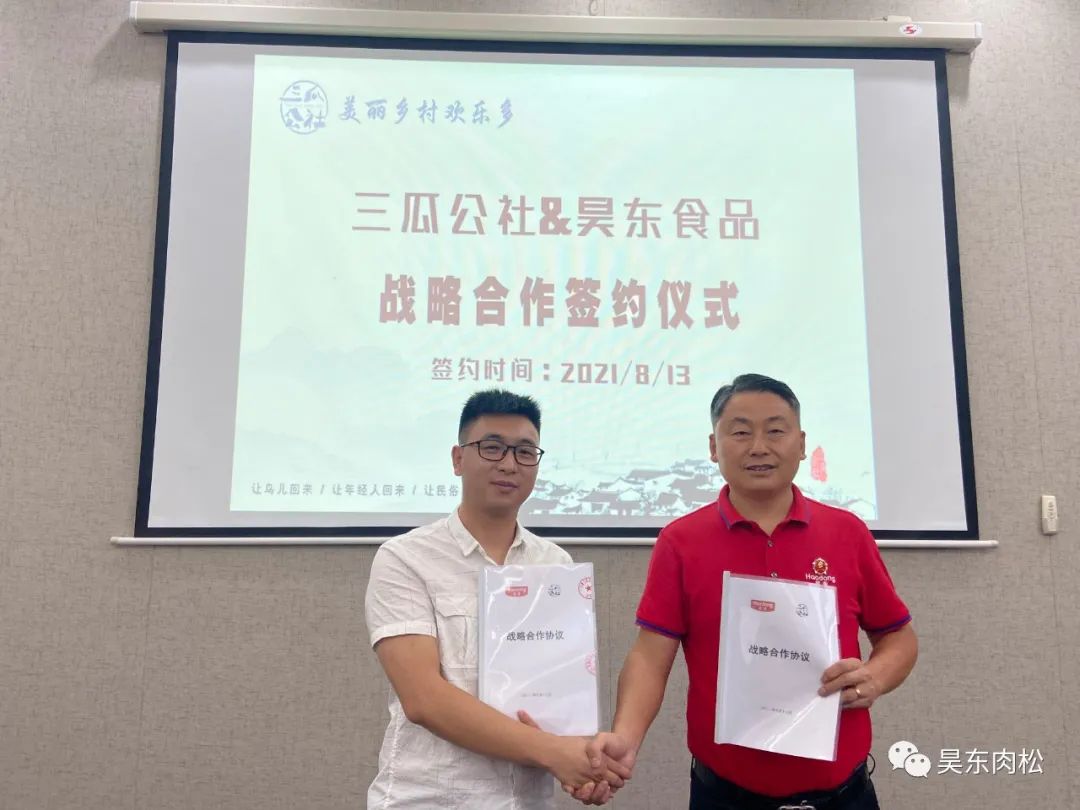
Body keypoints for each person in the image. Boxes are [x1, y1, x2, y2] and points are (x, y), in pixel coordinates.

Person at [577, 373, 918, 808]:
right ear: (713, 447)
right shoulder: (681, 541)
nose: (759, 446)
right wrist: (625, 738)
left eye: (775, 431)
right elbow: (649, 657)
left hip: (843, 796)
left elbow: (898, 637)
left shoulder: (847, 532)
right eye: (740, 432)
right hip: (725, 795)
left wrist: (876, 676)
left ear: (801, 443)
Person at [365, 388, 629, 809]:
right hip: (429, 798)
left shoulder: (555, 564)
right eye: (492, 448)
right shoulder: (405, 558)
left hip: (527, 800)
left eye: (525, 452)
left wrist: (586, 765)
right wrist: (556, 754)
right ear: (458, 459)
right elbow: (424, 700)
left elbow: (559, 694)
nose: (509, 464)